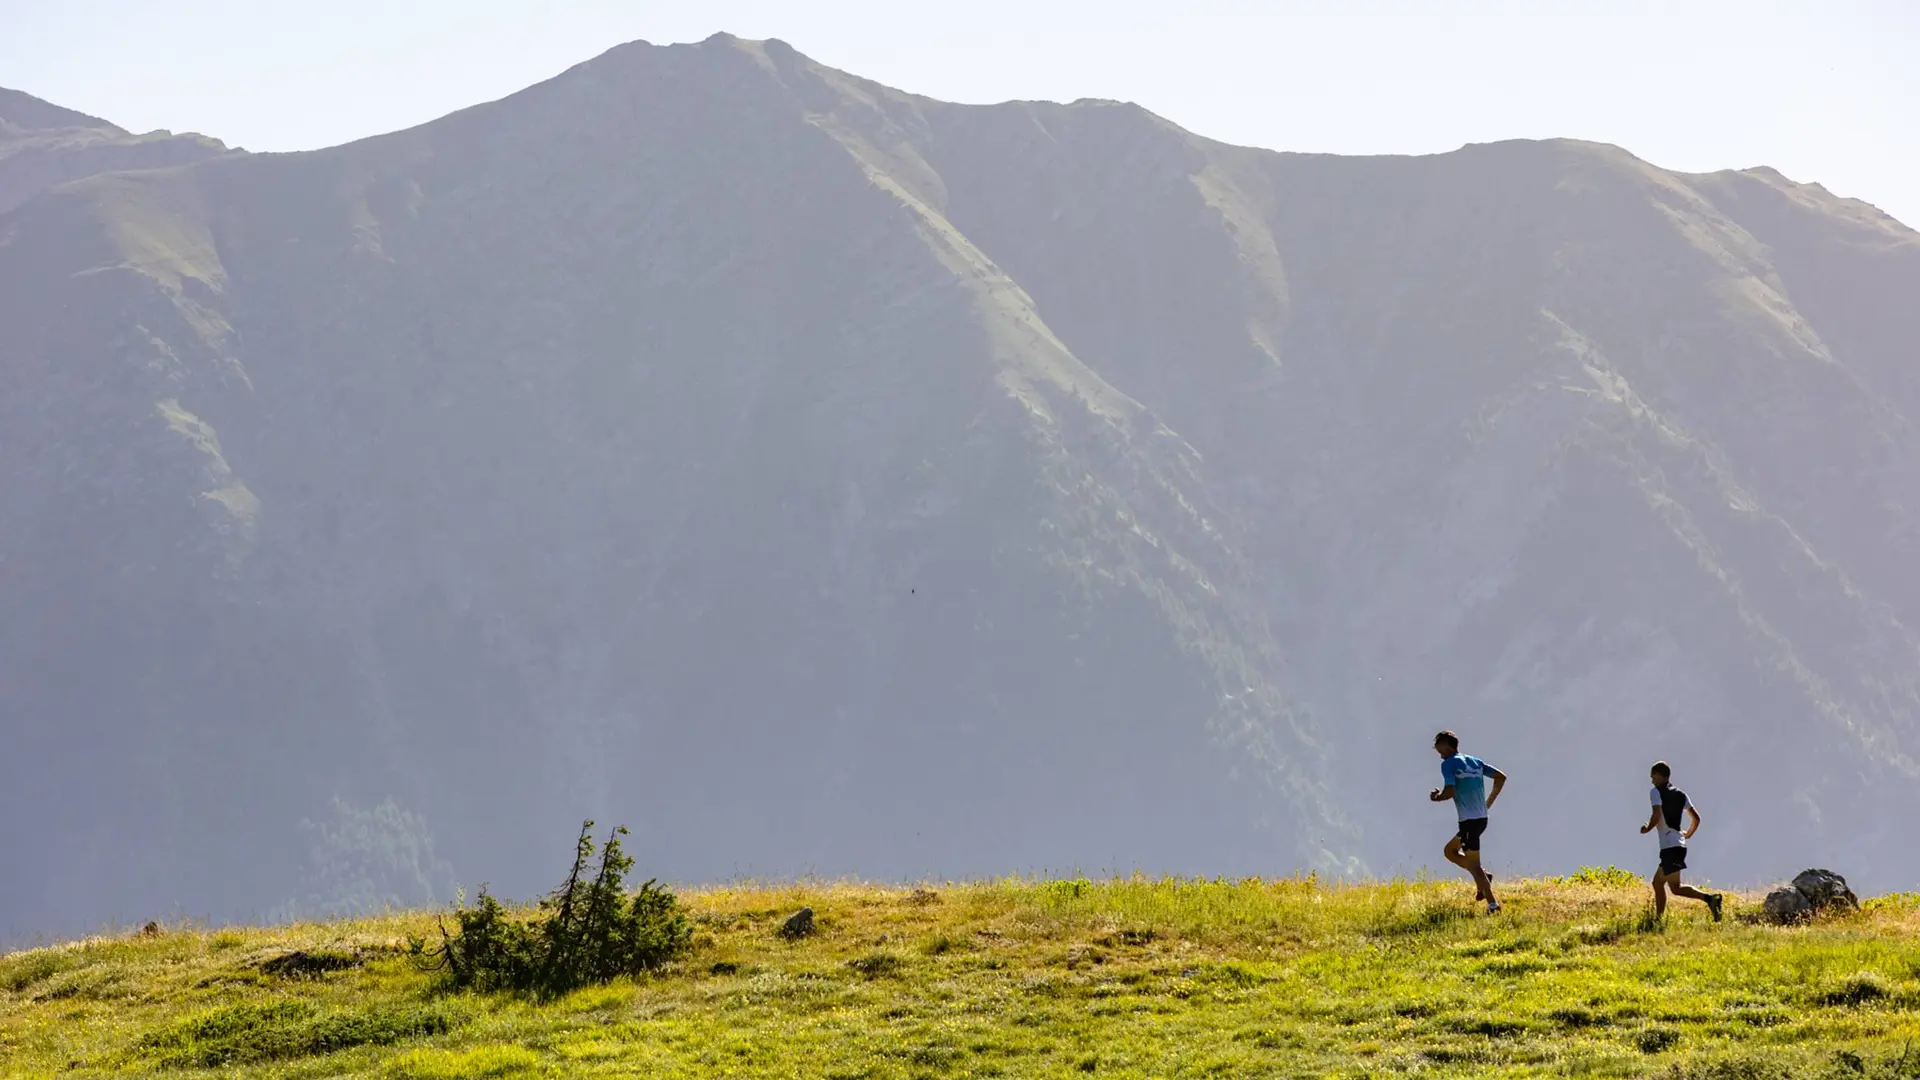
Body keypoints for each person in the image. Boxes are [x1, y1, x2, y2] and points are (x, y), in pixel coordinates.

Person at [1428, 730, 1505, 914]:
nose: (1438, 753)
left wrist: (1436, 797)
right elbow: (1501, 777)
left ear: (1446, 745)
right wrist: (1488, 803)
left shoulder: (1448, 764)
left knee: (1474, 865)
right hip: (1481, 819)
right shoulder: (1474, 761)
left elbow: (1450, 791)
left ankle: (1493, 904)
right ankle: (1484, 878)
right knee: (1450, 851)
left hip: (1468, 821)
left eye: (1438, 748)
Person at [1641, 761, 1723, 921]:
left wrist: (1646, 828)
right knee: (1675, 888)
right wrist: (1687, 835)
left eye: (1653, 777)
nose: (1652, 781)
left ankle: (1658, 921)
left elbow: (1657, 814)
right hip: (1679, 845)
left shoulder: (1656, 792)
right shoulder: (1681, 794)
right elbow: (1696, 819)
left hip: (1670, 847)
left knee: (1657, 884)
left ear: (1661, 776)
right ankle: (1711, 900)